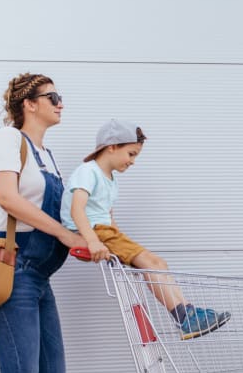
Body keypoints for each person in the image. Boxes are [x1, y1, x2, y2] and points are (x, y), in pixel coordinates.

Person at [0, 73, 85, 373]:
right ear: (29, 104)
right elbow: (8, 197)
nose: (60, 103)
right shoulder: (9, 138)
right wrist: (61, 232)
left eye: (60, 96)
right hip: (13, 269)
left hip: (38, 275)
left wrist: (87, 238)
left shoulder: (47, 158)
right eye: (52, 96)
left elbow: (63, 214)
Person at [61, 118, 231, 341]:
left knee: (158, 264)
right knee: (151, 264)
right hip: (93, 231)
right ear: (111, 147)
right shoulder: (88, 171)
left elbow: (108, 216)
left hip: (105, 231)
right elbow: (77, 210)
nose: (133, 161)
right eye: (131, 154)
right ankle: (183, 318)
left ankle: (187, 311)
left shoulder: (110, 179)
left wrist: (122, 242)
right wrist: (92, 241)